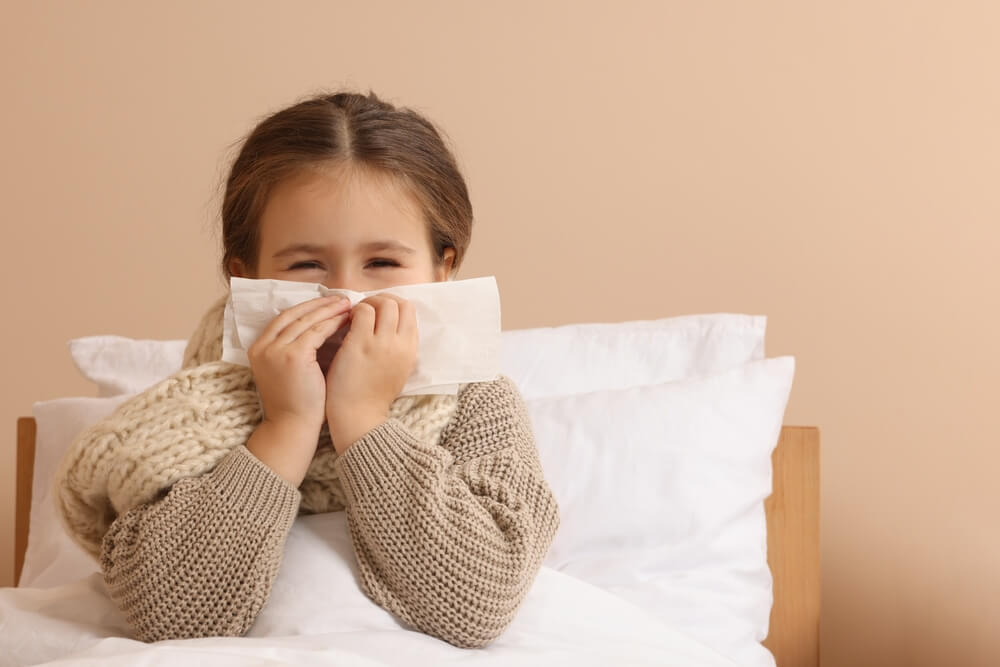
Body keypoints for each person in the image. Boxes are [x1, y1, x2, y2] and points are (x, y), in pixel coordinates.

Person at [53, 90, 561, 649]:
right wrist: (287, 425)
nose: (345, 295)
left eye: (383, 263)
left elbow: (479, 600)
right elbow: (171, 620)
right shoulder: (189, 415)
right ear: (243, 277)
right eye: (306, 264)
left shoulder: (476, 401)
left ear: (443, 271)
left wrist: (363, 418)